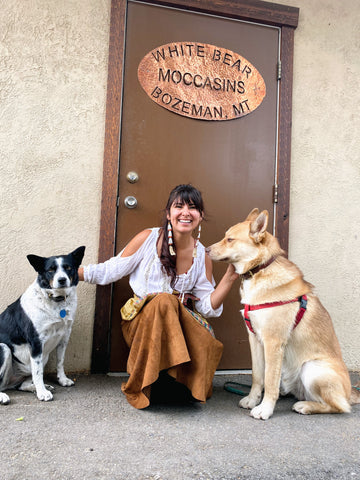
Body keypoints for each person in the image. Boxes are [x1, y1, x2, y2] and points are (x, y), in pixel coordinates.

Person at [79, 184, 239, 409]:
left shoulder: (202, 254)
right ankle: (152, 383)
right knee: (163, 301)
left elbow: (206, 307)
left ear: (200, 216)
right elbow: (109, 271)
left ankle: (176, 384)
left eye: (193, 208)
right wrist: (69, 272)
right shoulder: (148, 238)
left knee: (190, 322)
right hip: (141, 323)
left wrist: (230, 277)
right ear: (168, 214)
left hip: (178, 326)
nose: (185, 212)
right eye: (179, 206)